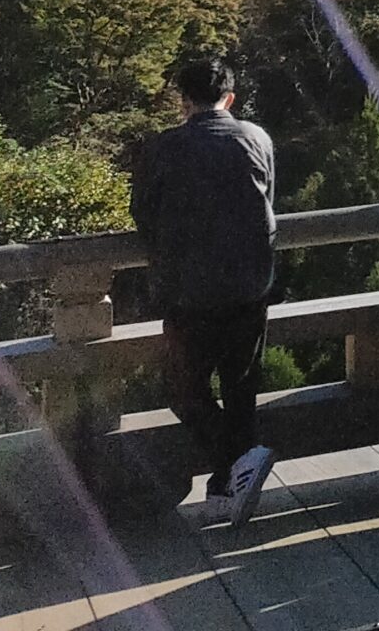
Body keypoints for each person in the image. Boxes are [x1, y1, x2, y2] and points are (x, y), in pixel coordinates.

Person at [132, 55, 279, 526]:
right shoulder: (257, 138)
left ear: (184, 101)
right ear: (229, 98)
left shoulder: (163, 148)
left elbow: (143, 215)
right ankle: (231, 481)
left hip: (187, 289)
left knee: (182, 388)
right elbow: (266, 201)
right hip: (250, 284)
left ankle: (230, 471)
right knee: (240, 389)